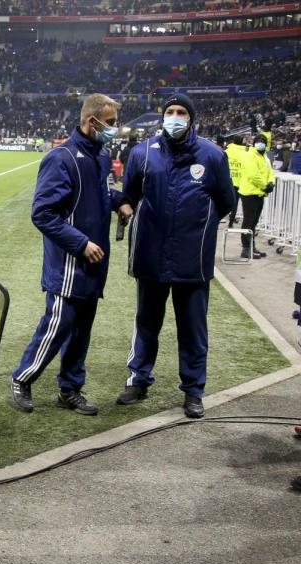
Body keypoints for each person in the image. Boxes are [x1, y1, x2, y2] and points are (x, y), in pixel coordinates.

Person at [116, 94, 236, 419]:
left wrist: (199, 227)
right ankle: (138, 380)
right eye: (170, 111)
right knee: (146, 324)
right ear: (162, 116)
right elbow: (129, 195)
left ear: (191, 118)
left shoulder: (211, 155)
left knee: (193, 329)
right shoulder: (142, 154)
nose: (175, 116)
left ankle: (193, 392)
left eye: (181, 112)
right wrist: (127, 208)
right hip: (151, 257)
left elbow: (227, 200)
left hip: (192, 260)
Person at [9, 94, 124, 416]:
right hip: (70, 264)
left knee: (81, 330)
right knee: (58, 324)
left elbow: (98, 195)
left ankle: (70, 389)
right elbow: (43, 214)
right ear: (92, 122)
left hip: (93, 263)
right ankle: (22, 378)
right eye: (112, 123)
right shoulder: (62, 158)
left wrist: (118, 201)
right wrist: (80, 243)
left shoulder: (99, 157)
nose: (116, 129)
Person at [237, 133, 276, 259]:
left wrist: (271, 183)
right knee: (248, 222)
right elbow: (253, 175)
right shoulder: (250, 155)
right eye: (258, 140)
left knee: (254, 222)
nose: (261, 142)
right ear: (254, 143)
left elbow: (270, 171)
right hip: (249, 193)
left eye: (263, 141)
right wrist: (265, 186)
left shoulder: (265, 157)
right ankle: (245, 249)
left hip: (259, 193)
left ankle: (252, 247)